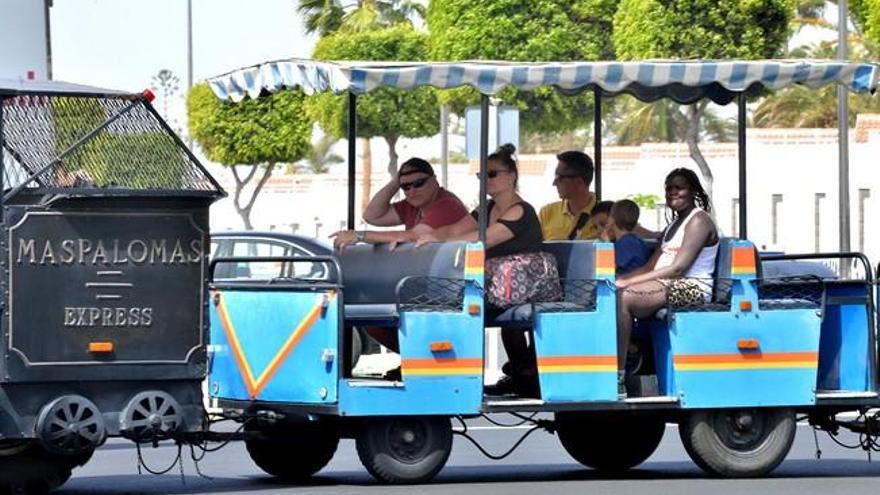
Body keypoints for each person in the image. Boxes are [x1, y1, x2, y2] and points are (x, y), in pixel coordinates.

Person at [416, 144, 547, 397]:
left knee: (465, 306)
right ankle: (519, 372)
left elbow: (483, 239)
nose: (486, 180)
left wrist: (440, 241)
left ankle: (516, 373)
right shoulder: (486, 208)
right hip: (499, 285)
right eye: (482, 175)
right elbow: (455, 230)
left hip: (525, 284)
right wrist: (429, 235)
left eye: (492, 174)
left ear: (511, 176)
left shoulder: (520, 211)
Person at [615, 168, 719, 397]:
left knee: (625, 297)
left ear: (692, 191)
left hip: (692, 287)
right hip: (667, 283)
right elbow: (650, 266)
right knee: (613, 293)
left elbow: (678, 268)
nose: (673, 193)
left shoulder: (699, 220)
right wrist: (619, 279)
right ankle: (631, 355)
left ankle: (618, 375)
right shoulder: (673, 226)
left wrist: (628, 286)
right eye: (669, 189)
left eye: (678, 188)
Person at [330, 157, 468, 250]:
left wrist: (360, 236)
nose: (412, 191)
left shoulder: (447, 204)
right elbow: (372, 216)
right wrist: (395, 182)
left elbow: (414, 235)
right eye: (405, 187)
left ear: (434, 180)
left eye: (419, 184)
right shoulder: (411, 205)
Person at [539, 151, 601, 240]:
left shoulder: (606, 215)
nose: (554, 183)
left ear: (579, 182)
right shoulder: (546, 213)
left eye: (560, 177)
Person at [605, 199, 653, 276]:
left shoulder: (627, 243)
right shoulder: (632, 240)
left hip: (628, 284)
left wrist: (605, 244)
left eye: (610, 215)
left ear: (613, 219)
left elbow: (605, 272)